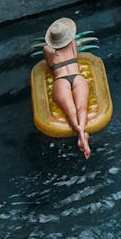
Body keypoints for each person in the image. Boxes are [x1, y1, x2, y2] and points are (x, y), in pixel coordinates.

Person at [43, 17, 91, 159]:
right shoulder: (72, 43)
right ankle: (83, 133)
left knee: (70, 110)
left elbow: (49, 65)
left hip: (61, 80)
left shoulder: (47, 49)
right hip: (77, 77)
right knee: (82, 107)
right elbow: (75, 57)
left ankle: (80, 134)